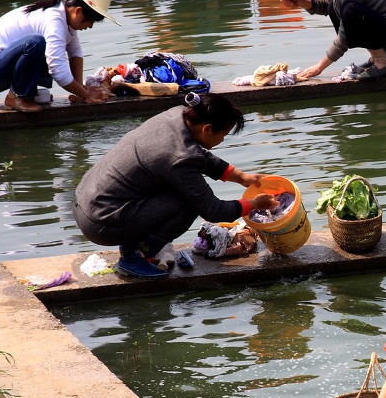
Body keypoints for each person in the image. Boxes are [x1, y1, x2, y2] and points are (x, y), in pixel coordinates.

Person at [72, 93, 276, 279]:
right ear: (207, 129)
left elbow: (199, 155)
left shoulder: (176, 115)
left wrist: (240, 177)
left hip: (86, 202)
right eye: (223, 134)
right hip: (101, 222)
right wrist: (254, 204)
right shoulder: (181, 157)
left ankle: (136, 246)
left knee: (181, 189)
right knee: (189, 204)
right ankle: (134, 256)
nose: (222, 140)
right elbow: (213, 210)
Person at [0, 0, 116, 113]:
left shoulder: (63, 16)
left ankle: (25, 94)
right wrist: (87, 94)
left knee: (48, 50)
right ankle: (17, 97)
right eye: (90, 21)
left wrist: (80, 91)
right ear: (77, 11)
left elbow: (75, 52)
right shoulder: (54, 19)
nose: (90, 26)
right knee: (36, 42)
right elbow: (58, 70)